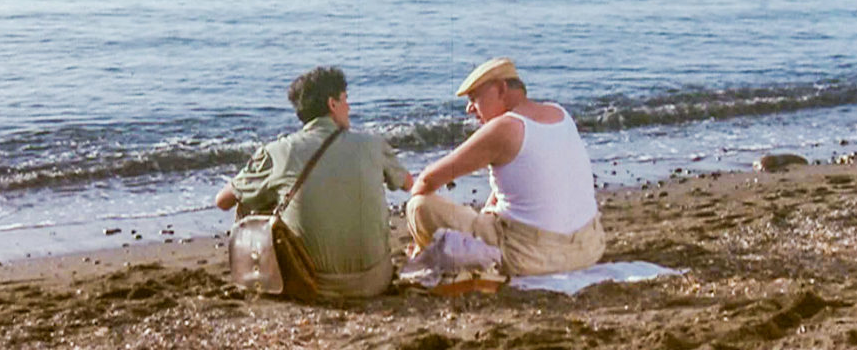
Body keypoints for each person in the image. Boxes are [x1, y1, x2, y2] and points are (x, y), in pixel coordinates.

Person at [215, 66, 413, 297]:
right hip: (376, 280)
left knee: (254, 197)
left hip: (311, 285)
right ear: (332, 104)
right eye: (345, 100)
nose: (349, 108)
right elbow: (410, 184)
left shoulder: (280, 151)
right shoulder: (373, 144)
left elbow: (223, 201)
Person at [406, 57, 605, 276]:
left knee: (418, 206)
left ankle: (428, 254)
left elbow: (427, 181)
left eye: (474, 98)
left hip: (529, 257)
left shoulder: (505, 128)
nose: (469, 108)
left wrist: (419, 236)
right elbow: (520, 181)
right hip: (589, 248)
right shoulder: (559, 112)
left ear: (501, 89)